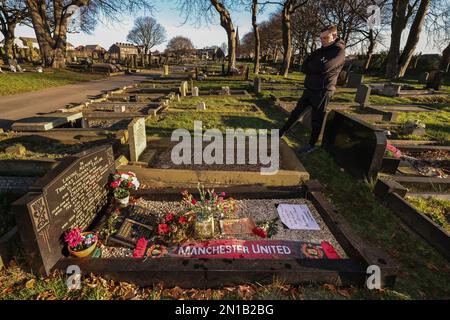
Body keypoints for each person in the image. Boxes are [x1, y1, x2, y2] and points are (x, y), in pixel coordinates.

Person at [279, 25, 346, 153]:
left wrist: (314, 67)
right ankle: (281, 133)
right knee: (296, 113)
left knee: (317, 118)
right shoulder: (319, 51)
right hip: (309, 88)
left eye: (325, 38)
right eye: (321, 38)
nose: (322, 41)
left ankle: (311, 144)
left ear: (335, 36)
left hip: (323, 90)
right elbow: (304, 66)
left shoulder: (338, 52)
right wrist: (315, 66)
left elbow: (325, 67)